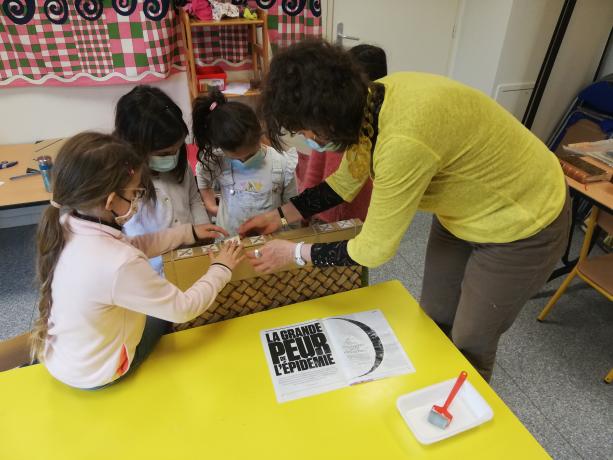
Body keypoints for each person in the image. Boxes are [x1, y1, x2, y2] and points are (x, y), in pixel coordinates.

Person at [239, 40, 570, 382]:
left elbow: (373, 250)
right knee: (433, 314)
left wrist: (294, 253)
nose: (304, 137)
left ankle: (462, 403)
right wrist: (279, 216)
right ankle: (433, 380)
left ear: (329, 119)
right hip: (465, 210)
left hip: (525, 220)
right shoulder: (372, 102)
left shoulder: (402, 142)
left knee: (471, 338)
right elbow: (344, 182)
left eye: (303, 129)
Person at [32, 132, 243, 390]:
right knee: (166, 319)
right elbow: (184, 308)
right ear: (111, 201)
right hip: (100, 373)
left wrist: (188, 232)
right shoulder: (119, 263)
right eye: (134, 194)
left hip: (68, 360)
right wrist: (220, 268)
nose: (136, 200)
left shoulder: (67, 223)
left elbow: (133, 246)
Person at [115, 85, 211, 275]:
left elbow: (193, 199)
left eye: (178, 148)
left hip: (190, 258)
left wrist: (202, 231)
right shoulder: (124, 183)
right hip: (152, 270)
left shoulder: (180, 165)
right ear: (135, 147)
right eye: (164, 153)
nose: (174, 156)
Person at [299, 44, 387, 223]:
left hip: (363, 218)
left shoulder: (385, 135)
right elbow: (337, 181)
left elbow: (378, 241)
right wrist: (294, 212)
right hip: (325, 212)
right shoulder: (331, 125)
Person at [193, 89, 298, 236]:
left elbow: (292, 208)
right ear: (221, 148)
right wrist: (210, 205)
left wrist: (289, 230)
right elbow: (202, 173)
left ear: (259, 133)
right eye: (237, 158)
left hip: (272, 238)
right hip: (230, 238)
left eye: (251, 154)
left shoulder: (282, 164)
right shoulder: (217, 160)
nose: (245, 160)